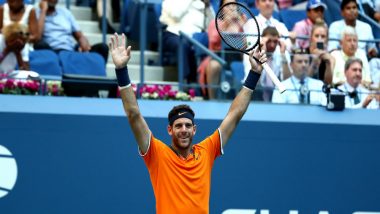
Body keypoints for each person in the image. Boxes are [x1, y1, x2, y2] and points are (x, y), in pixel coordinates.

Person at [109, 33, 267, 214]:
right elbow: (133, 114)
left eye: (187, 125)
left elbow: (235, 114)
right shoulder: (157, 154)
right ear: (169, 130)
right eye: (178, 126)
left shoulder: (206, 151)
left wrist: (254, 74)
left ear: (194, 130)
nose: (183, 130)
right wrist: (121, 70)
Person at [35, 0, 109, 63]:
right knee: (40, 45)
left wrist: (84, 42)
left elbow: (80, 36)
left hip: (70, 51)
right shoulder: (36, 13)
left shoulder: (65, 13)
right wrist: (43, 11)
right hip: (51, 51)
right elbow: (38, 37)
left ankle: (98, 78)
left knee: (102, 48)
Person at [160, 0, 214, 83]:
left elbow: (212, 24)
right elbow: (176, 14)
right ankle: (185, 80)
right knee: (183, 45)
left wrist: (207, 6)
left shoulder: (203, 4)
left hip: (196, 38)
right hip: (174, 34)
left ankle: (202, 85)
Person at [197, 0, 242, 100]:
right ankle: (212, 99)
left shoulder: (241, 23)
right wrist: (226, 24)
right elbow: (213, 40)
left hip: (237, 57)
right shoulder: (215, 22)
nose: (231, 8)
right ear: (221, 8)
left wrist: (242, 25)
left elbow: (246, 44)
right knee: (213, 66)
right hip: (217, 56)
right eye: (228, 5)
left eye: (234, 5)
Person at [243, 26, 291, 101]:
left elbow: (288, 80)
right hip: (254, 94)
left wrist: (283, 55)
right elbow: (253, 82)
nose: (272, 45)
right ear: (263, 40)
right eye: (269, 41)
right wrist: (262, 50)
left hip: (278, 96)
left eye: (275, 42)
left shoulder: (282, 53)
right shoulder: (251, 54)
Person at [0, 0, 39, 72]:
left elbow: (26, 71)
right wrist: (7, 49)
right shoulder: (1, 40)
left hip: (9, 76)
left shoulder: (21, 43)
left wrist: (18, 52)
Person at [306, 19, 334, 84]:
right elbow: (305, 80)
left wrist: (328, 64)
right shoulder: (303, 54)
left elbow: (328, 83)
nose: (319, 39)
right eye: (316, 36)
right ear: (311, 38)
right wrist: (314, 61)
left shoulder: (331, 58)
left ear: (327, 40)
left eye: (323, 36)